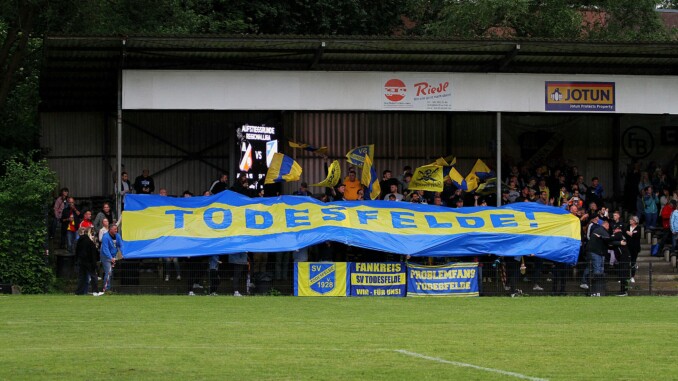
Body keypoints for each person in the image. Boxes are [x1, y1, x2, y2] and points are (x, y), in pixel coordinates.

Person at [75, 227, 101, 296]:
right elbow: (93, 254)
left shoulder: (80, 240)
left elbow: (77, 251)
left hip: (81, 261)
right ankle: (95, 291)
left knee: (82, 277)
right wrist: (94, 263)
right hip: (89, 262)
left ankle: (79, 292)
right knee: (93, 276)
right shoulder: (90, 242)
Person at [100, 224, 121, 292]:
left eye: (116, 229)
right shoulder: (105, 237)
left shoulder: (117, 235)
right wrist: (110, 257)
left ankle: (109, 287)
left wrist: (122, 253)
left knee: (111, 272)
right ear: (110, 229)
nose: (116, 230)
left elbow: (120, 245)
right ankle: (106, 289)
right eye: (114, 229)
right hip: (106, 256)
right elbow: (105, 249)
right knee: (108, 272)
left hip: (113, 256)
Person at [625, 215, 642, 283]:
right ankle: (625, 277)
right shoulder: (627, 227)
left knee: (633, 262)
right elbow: (624, 232)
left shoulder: (638, 228)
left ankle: (632, 276)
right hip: (627, 247)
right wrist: (630, 233)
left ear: (635, 221)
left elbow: (636, 235)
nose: (630, 221)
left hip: (635, 248)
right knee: (626, 262)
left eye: (631, 220)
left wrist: (628, 233)